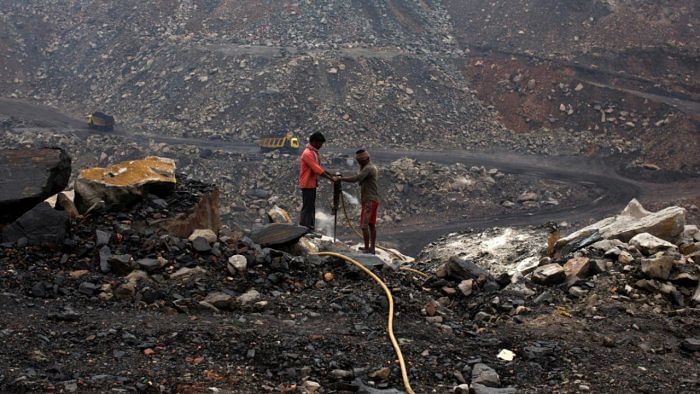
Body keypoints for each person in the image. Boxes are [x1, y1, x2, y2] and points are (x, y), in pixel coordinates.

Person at [337, 149, 379, 254]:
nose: (359, 163)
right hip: (371, 199)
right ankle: (371, 248)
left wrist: (341, 179)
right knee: (371, 225)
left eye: (360, 161)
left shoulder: (368, 168)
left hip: (369, 200)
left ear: (366, 159)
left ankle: (367, 248)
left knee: (365, 225)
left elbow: (357, 178)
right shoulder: (367, 167)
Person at [299, 131, 334, 234]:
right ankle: (304, 228)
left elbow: (318, 167)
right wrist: (331, 178)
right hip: (307, 183)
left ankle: (309, 227)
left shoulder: (313, 152)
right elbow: (316, 169)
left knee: (310, 206)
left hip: (311, 183)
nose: (320, 146)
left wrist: (331, 174)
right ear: (314, 142)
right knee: (307, 207)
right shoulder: (307, 153)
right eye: (319, 143)